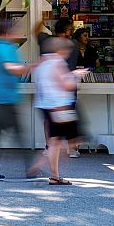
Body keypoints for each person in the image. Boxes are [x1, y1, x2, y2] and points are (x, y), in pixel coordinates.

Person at [29, 37, 87, 185]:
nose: (68, 54)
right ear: (60, 50)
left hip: (46, 106)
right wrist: (75, 76)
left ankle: (51, 171)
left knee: (56, 140)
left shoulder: (42, 63)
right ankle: (49, 169)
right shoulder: (58, 63)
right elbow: (66, 85)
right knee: (69, 141)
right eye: (67, 51)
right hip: (61, 107)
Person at [0, 19, 30, 182]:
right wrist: (31, 66)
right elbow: (11, 68)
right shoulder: (6, 48)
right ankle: (31, 169)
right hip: (6, 99)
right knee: (19, 135)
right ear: (7, 33)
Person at [34, 18, 81, 157]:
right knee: (69, 117)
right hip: (66, 86)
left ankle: (49, 147)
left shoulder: (45, 40)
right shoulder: (73, 44)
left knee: (49, 119)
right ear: (67, 31)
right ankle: (72, 149)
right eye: (70, 30)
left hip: (47, 88)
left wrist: (42, 18)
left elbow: (36, 29)